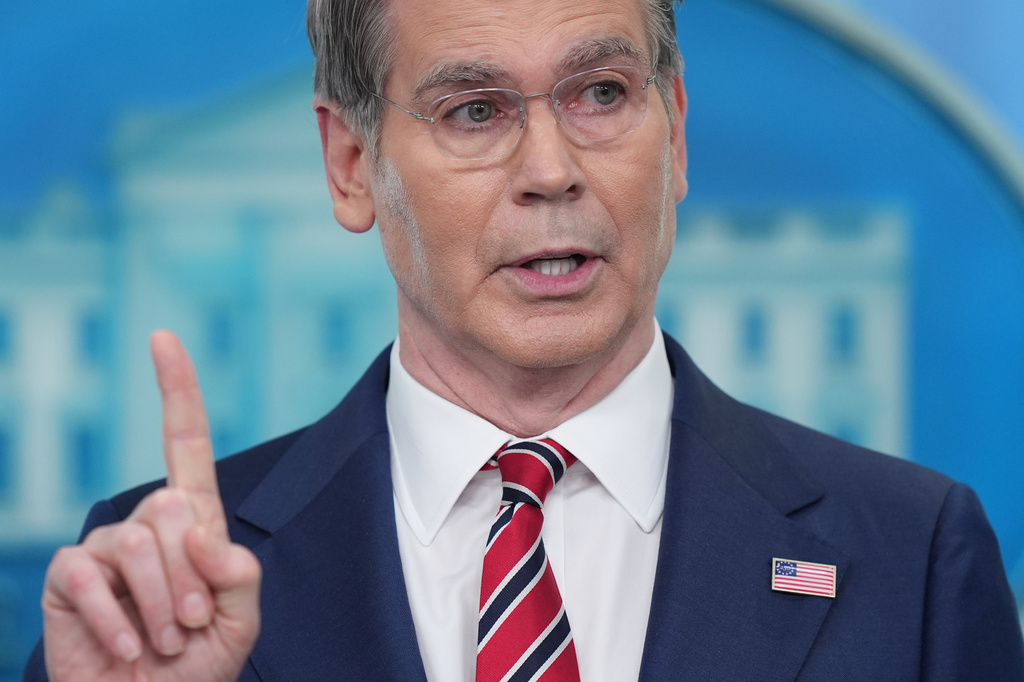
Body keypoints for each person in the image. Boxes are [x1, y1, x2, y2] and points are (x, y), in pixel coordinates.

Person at [23, 0, 1024, 679]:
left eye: (600, 94)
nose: (551, 169)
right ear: (350, 165)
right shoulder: (156, 589)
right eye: (475, 110)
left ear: (673, 131)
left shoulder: (913, 558)